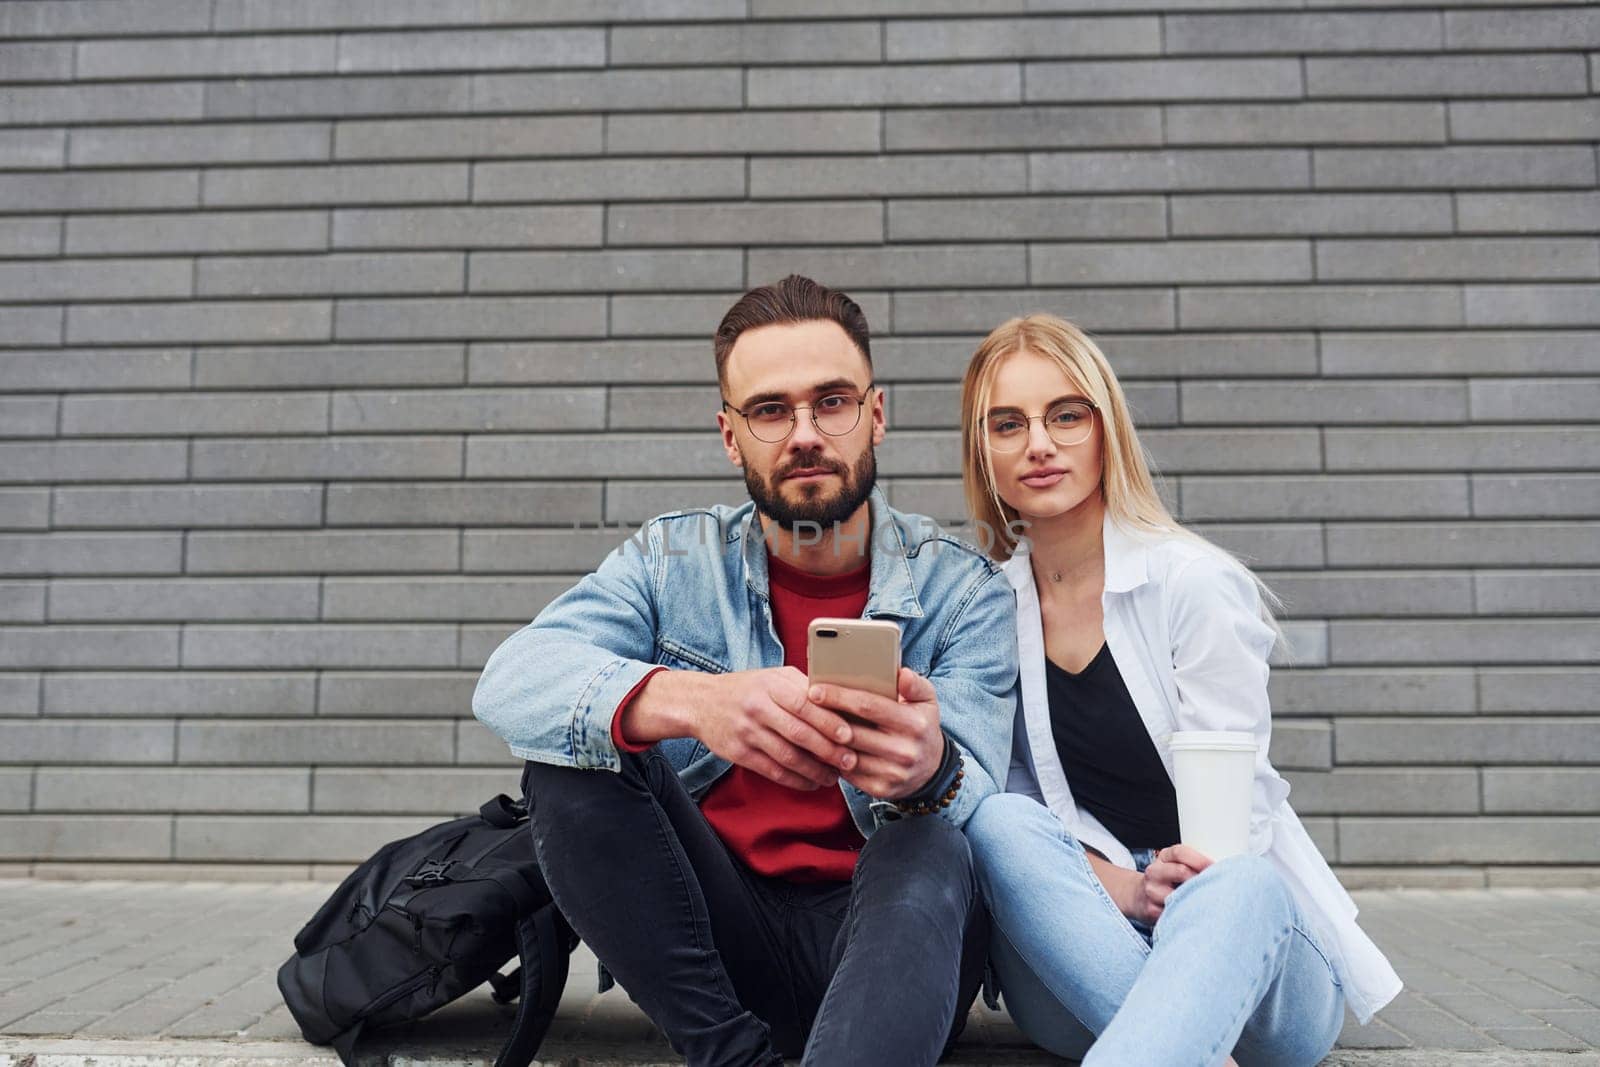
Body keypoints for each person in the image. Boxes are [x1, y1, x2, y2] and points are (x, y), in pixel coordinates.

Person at [472, 275, 1018, 1067]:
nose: (805, 432)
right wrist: (691, 701)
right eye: (770, 410)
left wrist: (930, 769)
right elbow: (513, 679)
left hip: (894, 947)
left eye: (832, 401)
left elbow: (990, 806)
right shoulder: (671, 562)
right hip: (721, 949)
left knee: (932, 841)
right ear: (731, 436)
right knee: (573, 761)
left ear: (877, 414)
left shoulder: (961, 589)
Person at [957, 314, 1402, 1066]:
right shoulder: (987, 609)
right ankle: (1180, 1043)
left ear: (1106, 430)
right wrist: (1129, 889)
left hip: (1246, 961)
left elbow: (1241, 814)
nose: (1039, 442)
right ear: (984, 453)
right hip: (1091, 949)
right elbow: (1026, 814)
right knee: (995, 819)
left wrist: (1180, 897)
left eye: (1066, 414)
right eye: (1009, 423)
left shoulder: (1191, 583)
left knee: (1243, 885)